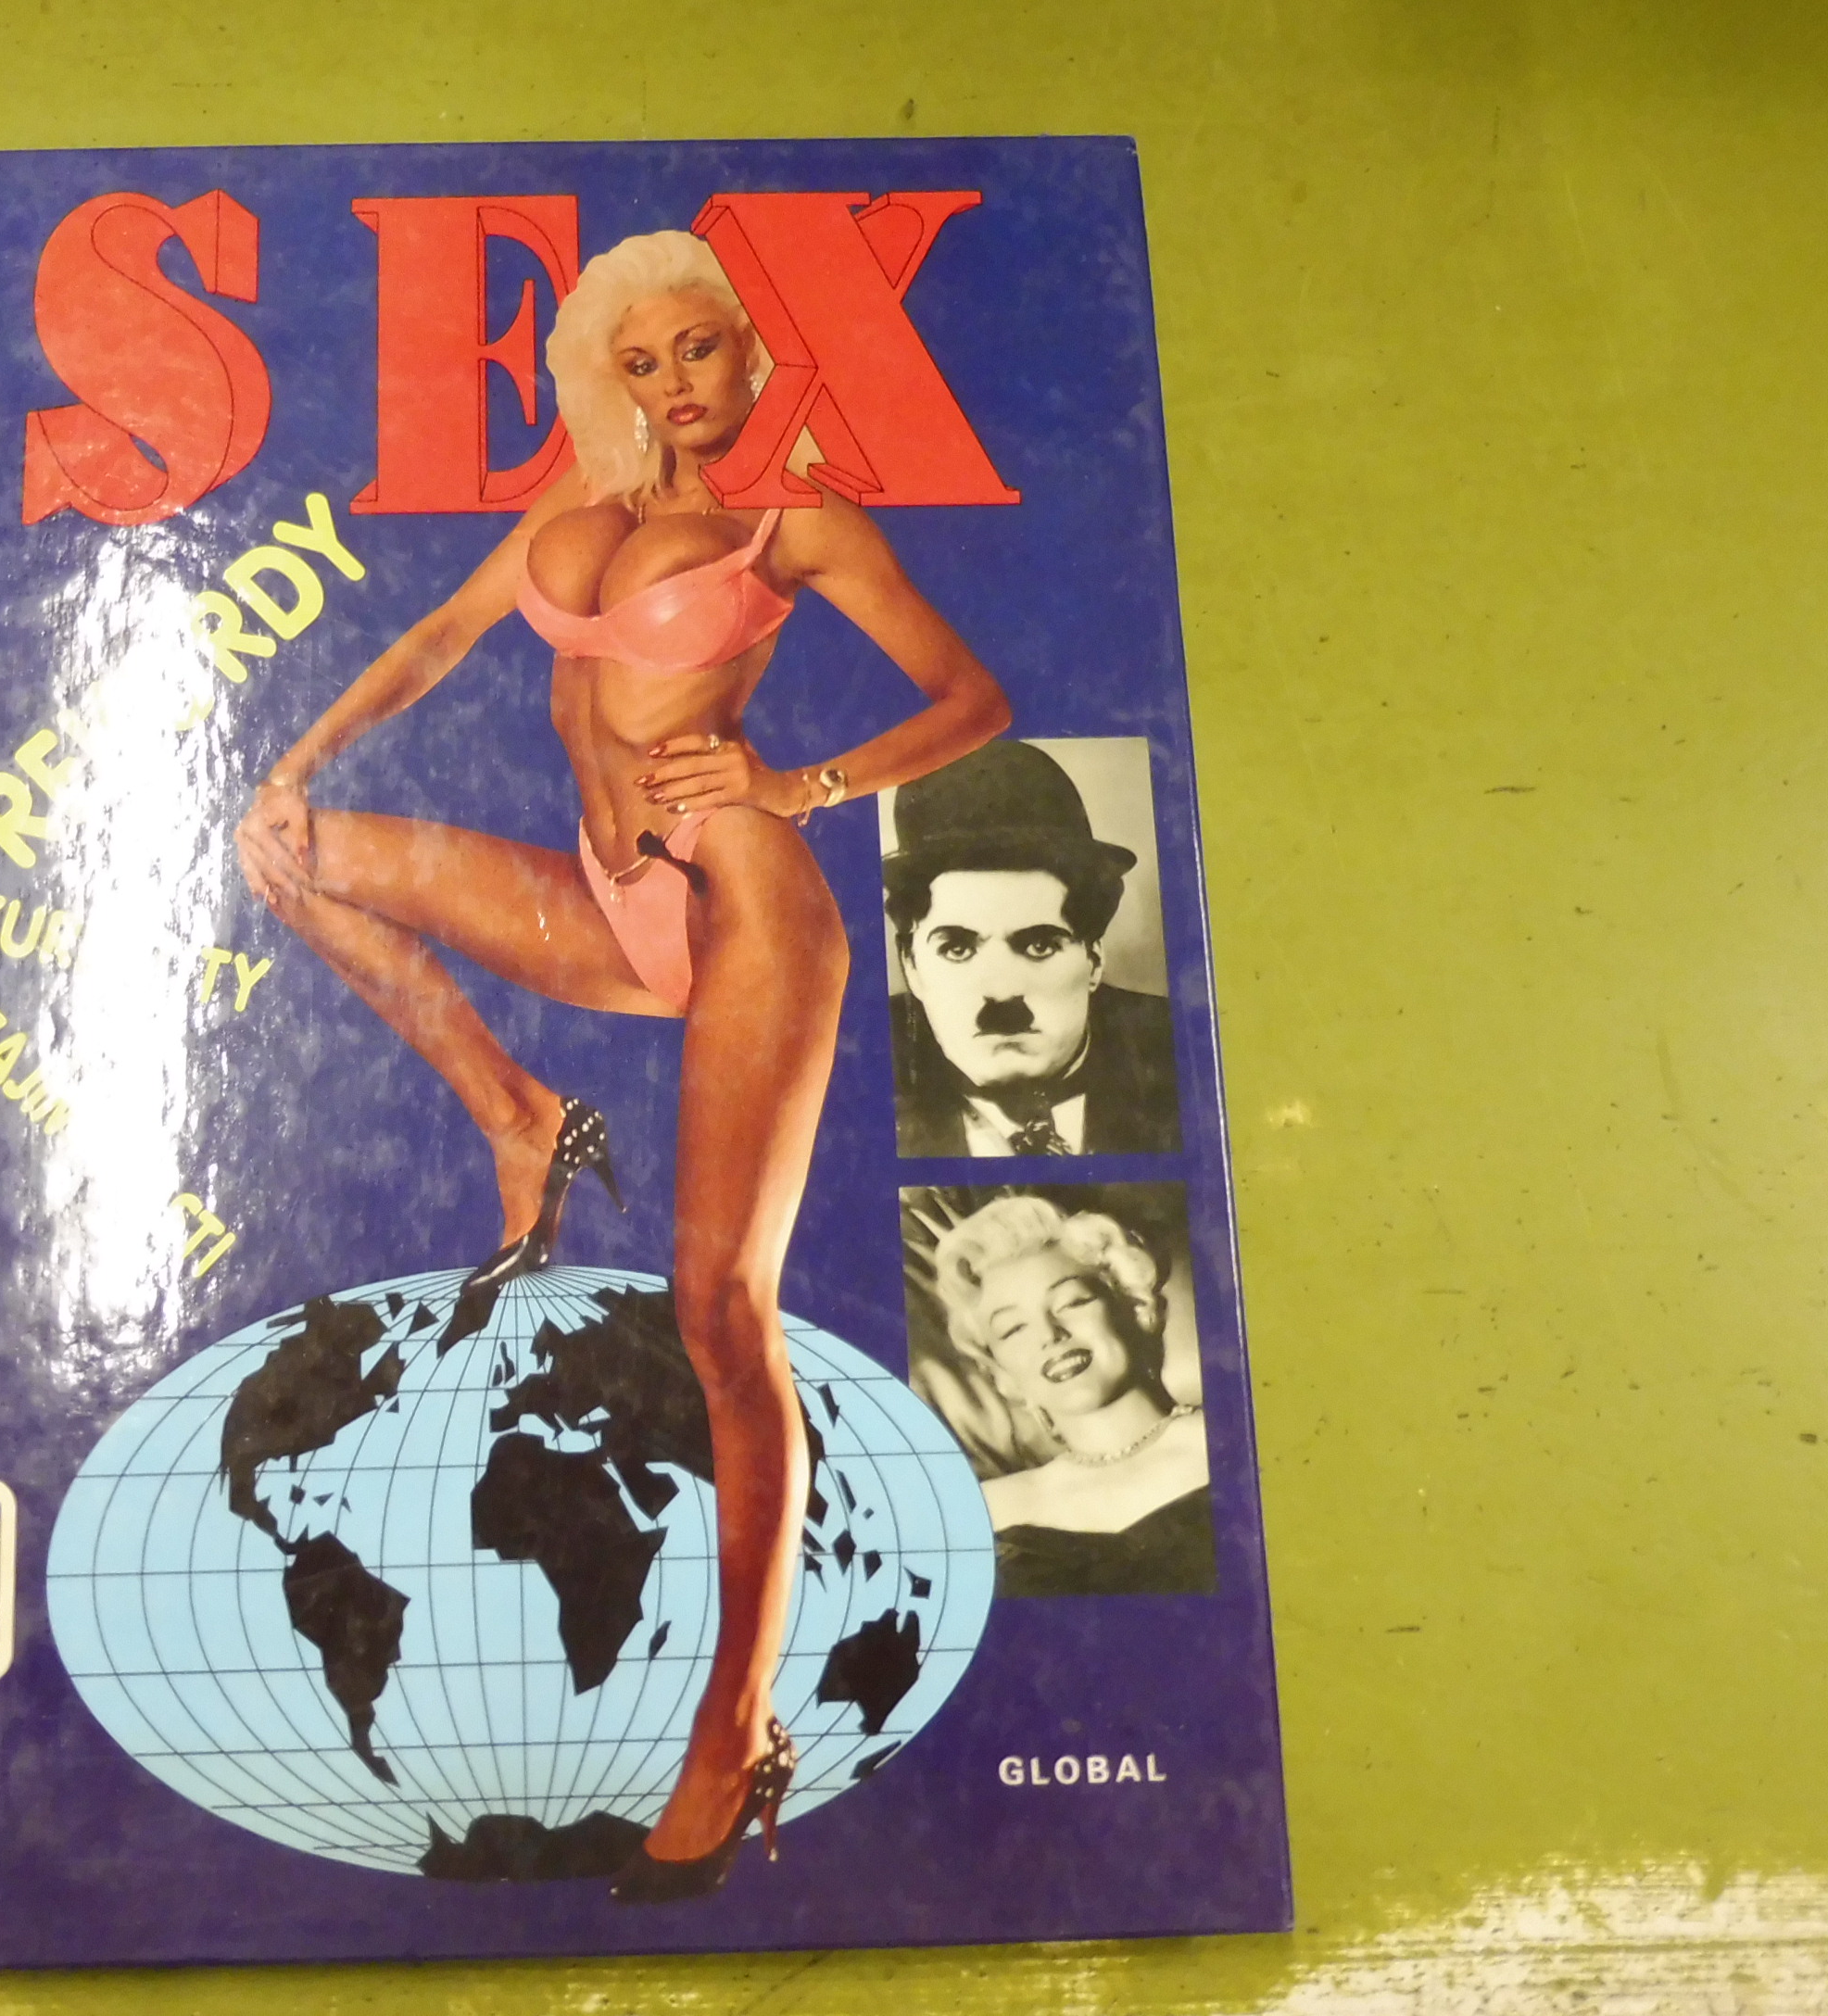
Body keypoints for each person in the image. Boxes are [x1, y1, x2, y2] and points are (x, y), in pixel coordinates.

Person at [234, 229, 1010, 1900]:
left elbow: (970, 698)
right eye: (640, 360)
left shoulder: (790, 520)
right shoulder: (569, 512)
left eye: (698, 351)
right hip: (604, 899)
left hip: (744, 904)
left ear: (748, 352)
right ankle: (517, 1113)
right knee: (294, 860)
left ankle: (732, 1727)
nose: (674, 384)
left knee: (719, 1313)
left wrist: (797, 786)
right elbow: (435, 642)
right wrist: (293, 763)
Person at [882, 738, 1180, 1157]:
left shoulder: (1182, 1057)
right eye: (957, 949)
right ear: (911, 965)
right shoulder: (857, 1073)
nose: (1002, 992)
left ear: (1094, 958)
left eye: (1039, 946)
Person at [929, 1194, 1214, 1596]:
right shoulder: (977, 1513)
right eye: (1013, 1329)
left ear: (1135, 1307)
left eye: (1072, 1302)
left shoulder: (1232, 1444)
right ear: (1001, 1373)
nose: (1049, 1335)